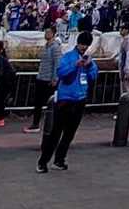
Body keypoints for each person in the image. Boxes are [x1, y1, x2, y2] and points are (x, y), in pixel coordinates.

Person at [37, 32, 97, 174]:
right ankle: (43, 162)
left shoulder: (89, 60)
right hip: (66, 99)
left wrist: (89, 66)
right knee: (56, 132)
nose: (84, 47)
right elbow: (61, 73)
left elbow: (94, 76)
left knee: (70, 133)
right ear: (78, 43)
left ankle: (59, 159)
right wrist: (75, 65)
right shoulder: (68, 57)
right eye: (82, 44)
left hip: (80, 99)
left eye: (86, 45)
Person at [30, 23, 60, 131]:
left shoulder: (55, 47)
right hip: (41, 77)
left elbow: (57, 63)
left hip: (49, 79)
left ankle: (51, 125)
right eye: (45, 32)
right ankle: (35, 123)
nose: (46, 34)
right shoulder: (45, 46)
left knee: (51, 103)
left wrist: (55, 78)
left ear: (53, 34)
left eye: (48, 32)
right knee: (37, 103)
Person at [117, 25, 129, 101]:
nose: (120, 30)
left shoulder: (128, 41)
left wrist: (127, 70)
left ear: (126, 30)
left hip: (125, 69)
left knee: (128, 90)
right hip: (124, 68)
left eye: (122, 29)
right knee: (128, 88)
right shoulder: (125, 41)